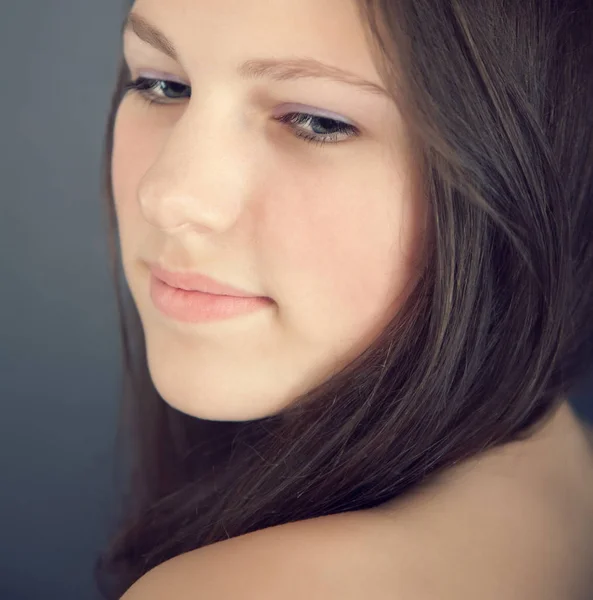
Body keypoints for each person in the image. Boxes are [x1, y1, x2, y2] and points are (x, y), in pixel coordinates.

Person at [94, 0, 593, 598]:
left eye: (317, 121)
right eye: (161, 85)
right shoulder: (545, 445)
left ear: (530, 171)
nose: (168, 197)